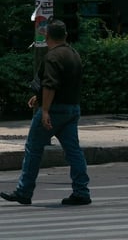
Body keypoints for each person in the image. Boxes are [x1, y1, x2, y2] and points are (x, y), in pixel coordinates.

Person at [0, 19, 91, 206]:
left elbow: (50, 85)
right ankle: (82, 191)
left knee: (33, 148)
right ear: (65, 35)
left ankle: (24, 191)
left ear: (47, 36)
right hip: (72, 109)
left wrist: (45, 110)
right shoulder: (74, 54)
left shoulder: (52, 57)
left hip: (55, 109)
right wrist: (40, 98)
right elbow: (64, 84)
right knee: (74, 151)